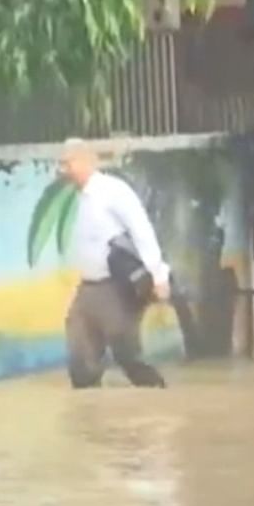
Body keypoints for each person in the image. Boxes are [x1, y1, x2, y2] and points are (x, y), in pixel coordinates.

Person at [59, 139, 171, 388]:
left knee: (129, 356)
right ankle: (88, 418)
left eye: (68, 163)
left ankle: (159, 398)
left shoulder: (113, 191)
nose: (63, 170)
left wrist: (159, 276)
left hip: (116, 288)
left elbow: (141, 229)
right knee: (79, 356)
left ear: (86, 161)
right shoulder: (80, 198)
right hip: (88, 289)